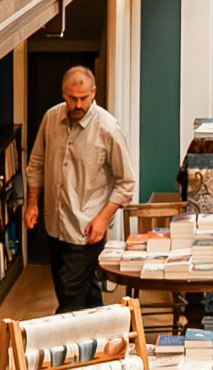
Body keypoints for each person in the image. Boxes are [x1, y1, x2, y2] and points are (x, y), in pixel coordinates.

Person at [23, 66, 137, 315]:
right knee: (86, 291)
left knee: (69, 297)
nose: (78, 104)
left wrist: (102, 219)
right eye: (72, 98)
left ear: (93, 92)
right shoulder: (51, 119)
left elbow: (126, 183)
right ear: (63, 93)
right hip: (55, 225)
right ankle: (103, 341)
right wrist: (32, 203)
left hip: (87, 228)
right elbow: (37, 164)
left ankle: (62, 350)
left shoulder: (108, 128)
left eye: (84, 98)